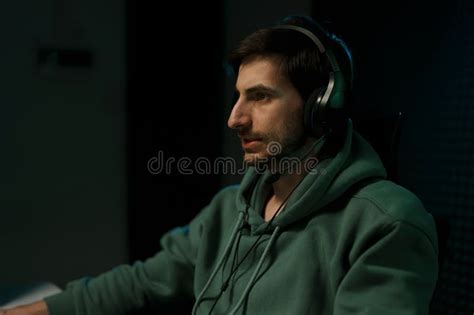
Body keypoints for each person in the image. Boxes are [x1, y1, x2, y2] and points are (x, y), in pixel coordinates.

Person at [1, 15, 438, 315]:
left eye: (260, 96)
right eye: (237, 96)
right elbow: (141, 282)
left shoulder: (386, 223)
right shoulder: (231, 209)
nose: (235, 118)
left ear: (319, 107)